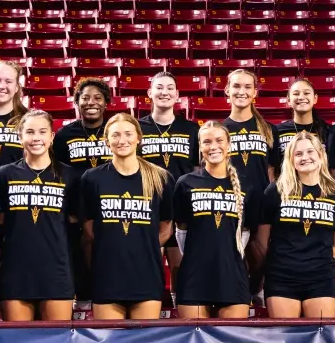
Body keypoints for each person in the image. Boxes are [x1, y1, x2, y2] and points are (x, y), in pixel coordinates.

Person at [80, 113, 173, 320]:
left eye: (128, 134)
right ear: (106, 141)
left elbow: (167, 226)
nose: (122, 140)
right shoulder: (92, 178)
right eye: (115, 135)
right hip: (107, 275)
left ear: (138, 137)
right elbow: (88, 228)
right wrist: (113, 243)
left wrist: (142, 244)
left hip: (146, 275)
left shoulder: (160, 178)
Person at [253, 131, 335, 318]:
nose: (305, 157)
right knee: (286, 339)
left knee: (320, 339)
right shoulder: (276, 191)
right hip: (282, 278)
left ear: (320, 156)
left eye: (310, 152)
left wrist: (320, 261)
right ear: (291, 159)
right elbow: (262, 240)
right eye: (298, 154)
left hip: (320, 278)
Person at [0, 110, 79, 321]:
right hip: (16, 271)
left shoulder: (69, 175)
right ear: (20, 136)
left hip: (56, 272)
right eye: (30, 132)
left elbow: (76, 224)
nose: (36, 138)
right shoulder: (4, 175)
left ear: (51, 136)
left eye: (42, 132)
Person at [172, 121, 253, 319]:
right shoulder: (185, 183)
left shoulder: (247, 186)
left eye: (219, 140)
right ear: (200, 147)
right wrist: (196, 255)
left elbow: (246, 233)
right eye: (206, 142)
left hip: (232, 276)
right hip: (194, 275)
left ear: (229, 144)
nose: (213, 146)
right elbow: (180, 230)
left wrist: (227, 254)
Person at [139, 72, 200, 302]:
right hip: (148, 203)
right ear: (150, 93)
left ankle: (178, 308)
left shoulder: (192, 129)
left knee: (180, 265)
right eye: (159, 87)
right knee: (151, 260)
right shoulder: (138, 128)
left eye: (170, 88)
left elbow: (197, 169)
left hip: (182, 203)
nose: (164, 92)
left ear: (177, 95)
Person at [55, 77, 114, 300]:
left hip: (108, 206)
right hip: (74, 208)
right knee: (76, 258)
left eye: (98, 98)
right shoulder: (63, 135)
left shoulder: (114, 133)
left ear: (106, 103)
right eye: (85, 97)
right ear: (77, 101)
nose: (92, 102)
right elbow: (57, 174)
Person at [221, 68, 276, 194]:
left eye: (247, 87)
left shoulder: (269, 129)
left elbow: (272, 172)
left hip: (261, 202)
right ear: (227, 90)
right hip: (229, 201)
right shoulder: (220, 130)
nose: (242, 91)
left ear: (254, 92)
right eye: (236, 86)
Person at [272, 78, 331, 172]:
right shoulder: (277, 131)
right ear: (288, 100)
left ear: (315, 98)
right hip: (287, 185)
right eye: (296, 94)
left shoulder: (328, 131)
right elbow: (272, 167)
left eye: (306, 93)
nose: (301, 97)